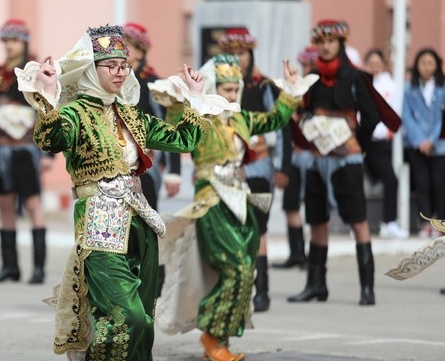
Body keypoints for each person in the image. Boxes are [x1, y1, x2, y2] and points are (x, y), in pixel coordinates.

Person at [17, 24, 229, 360]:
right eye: (111, 66)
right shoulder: (75, 114)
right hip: (99, 224)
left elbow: (183, 140)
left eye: (124, 65)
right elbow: (50, 140)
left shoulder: (131, 115)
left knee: (144, 318)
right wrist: (48, 96)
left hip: (139, 223)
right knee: (127, 318)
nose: (120, 72)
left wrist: (195, 97)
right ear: (91, 69)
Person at [154, 54, 310, 361]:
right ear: (212, 88)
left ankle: (219, 338)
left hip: (240, 202)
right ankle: (212, 336)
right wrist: (179, 100)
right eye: (226, 90)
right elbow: (174, 130)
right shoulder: (201, 117)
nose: (232, 95)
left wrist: (290, 92)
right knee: (235, 267)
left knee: (244, 271)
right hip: (212, 202)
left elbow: (274, 119)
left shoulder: (240, 118)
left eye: (235, 90)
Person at [287, 19, 398, 307]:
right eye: (321, 42)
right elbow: (303, 114)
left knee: (358, 219)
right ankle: (315, 284)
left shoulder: (355, 77)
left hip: (346, 159)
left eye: (331, 41)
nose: (325, 46)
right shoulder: (310, 78)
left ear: (340, 44)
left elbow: (372, 115)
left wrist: (353, 139)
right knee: (317, 220)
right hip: (315, 158)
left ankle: (367, 287)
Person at [218, 27, 293, 312]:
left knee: (258, 228)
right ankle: (236, 287)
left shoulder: (262, 86)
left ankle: (262, 291)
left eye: (241, 52)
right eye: (232, 53)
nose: (237, 58)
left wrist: (283, 167)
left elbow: (282, 126)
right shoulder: (218, 87)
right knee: (231, 228)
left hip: (259, 168)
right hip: (226, 167)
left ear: (250, 53)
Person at [0, 19, 49, 285]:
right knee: (4, 203)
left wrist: (47, 154)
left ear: (24, 42)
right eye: (6, 40)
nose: (9, 45)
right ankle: (10, 266)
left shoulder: (34, 70)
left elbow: (47, 110)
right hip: (3, 149)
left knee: (33, 204)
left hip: (27, 149)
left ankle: (38, 268)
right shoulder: (0, 72)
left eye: (14, 40)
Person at [123, 22, 181, 296]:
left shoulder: (152, 83)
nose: (125, 50)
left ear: (141, 50)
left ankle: (156, 279)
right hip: (120, 166)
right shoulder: (116, 78)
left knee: (150, 221)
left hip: (148, 166)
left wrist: (174, 171)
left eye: (130, 46)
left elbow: (169, 126)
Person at [272, 46, 318, 270]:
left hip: (312, 155)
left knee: (312, 206)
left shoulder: (318, 89)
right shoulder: (294, 89)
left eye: (310, 64)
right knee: (290, 205)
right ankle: (297, 253)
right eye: (305, 64)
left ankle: (313, 254)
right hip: (294, 155)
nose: (306, 68)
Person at [363, 48, 406, 239]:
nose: (374, 68)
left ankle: (389, 222)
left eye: (377, 64)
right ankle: (360, 222)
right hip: (364, 139)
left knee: (391, 181)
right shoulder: (362, 83)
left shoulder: (391, 85)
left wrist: (382, 131)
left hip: (382, 140)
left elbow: (393, 112)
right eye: (370, 64)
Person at [402, 48, 445, 238]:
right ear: (417, 65)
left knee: (439, 184)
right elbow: (407, 116)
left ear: (436, 65)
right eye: (423, 63)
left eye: (430, 63)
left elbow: (442, 118)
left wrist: (432, 140)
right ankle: (425, 223)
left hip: (440, 145)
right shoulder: (409, 88)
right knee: (422, 183)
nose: (426, 67)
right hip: (416, 144)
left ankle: (441, 223)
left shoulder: (442, 88)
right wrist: (420, 140)